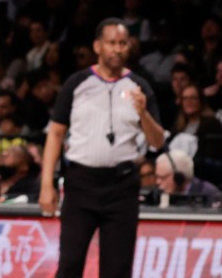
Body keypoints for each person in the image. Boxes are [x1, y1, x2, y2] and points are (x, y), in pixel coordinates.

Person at [38, 18, 166, 278]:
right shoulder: (76, 83)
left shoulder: (140, 87)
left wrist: (143, 113)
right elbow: (56, 134)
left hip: (122, 187)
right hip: (80, 184)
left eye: (123, 43)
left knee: (117, 270)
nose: (118, 49)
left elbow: (157, 141)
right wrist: (46, 184)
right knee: (69, 265)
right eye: (112, 43)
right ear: (97, 46)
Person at [154, 148, 222, 208]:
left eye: (162, 178)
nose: (157, 182)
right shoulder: (157, 195)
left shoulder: (209, 194)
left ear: (179, 178)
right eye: (157, 177)